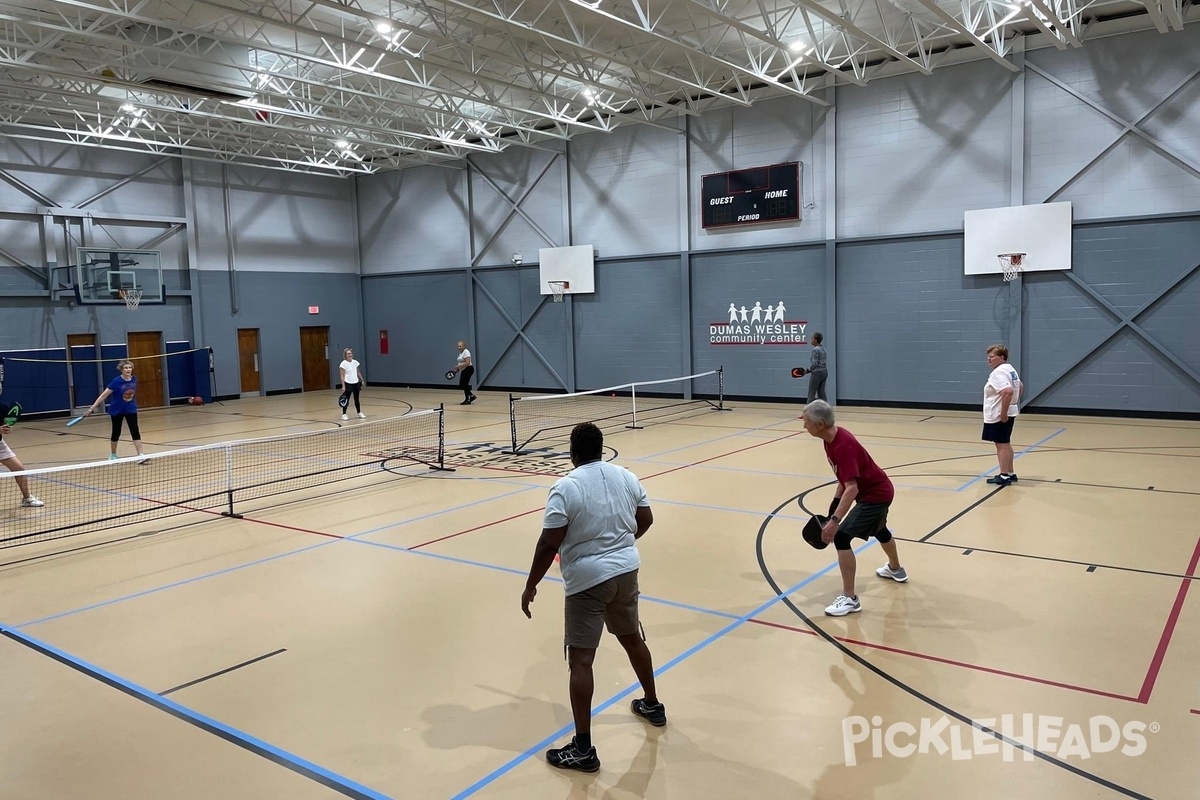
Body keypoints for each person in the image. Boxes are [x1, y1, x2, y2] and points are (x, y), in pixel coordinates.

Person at [521, 422, 665, 773]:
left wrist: (531, 585)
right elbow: (644, 519)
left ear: (573, 451)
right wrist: (620, 545)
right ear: (601, 448)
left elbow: (548, 543)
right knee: (632, 639)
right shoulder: (626, 477)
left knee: (581, 661)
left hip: (587, 581)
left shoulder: (565, 487)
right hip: (626, 571)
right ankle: (652, 705)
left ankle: (583, 749)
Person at [800, 400, 907, 617]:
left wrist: (834, 522)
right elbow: (844, 479)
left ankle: (850, 599)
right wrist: (833, 508)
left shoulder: (843, 445)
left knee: (841, 537)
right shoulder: (830, 439)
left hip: (875, 495)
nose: (804, 426)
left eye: (807, 422)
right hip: (877, 490)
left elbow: (852, 488)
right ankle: (896, 569)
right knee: (880, 530)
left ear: (820, 424)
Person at [84, 359, 147, 463]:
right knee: (116, 432)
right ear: (121, 370)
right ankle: (113, 455)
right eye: (126, 368)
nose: (128, 369)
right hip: (117, 410)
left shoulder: (133, 379)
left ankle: (140, 455)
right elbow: (103, 395)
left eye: (130, 367)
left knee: (135, 430)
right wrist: (92, 408)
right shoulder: (116, 381)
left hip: (130, 409)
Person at [983, 344, 1022, 486]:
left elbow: (1007, 391)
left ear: (1002, 357)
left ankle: (1004, 475)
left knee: (1001, 445)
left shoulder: (998, 373)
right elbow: (1020, 386)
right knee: (1006, 443)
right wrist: (1014, 403)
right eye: (988, 356)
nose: (989, 359)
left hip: (998, 415)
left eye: (992, 357)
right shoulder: (1010, 369)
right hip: (1008, 412)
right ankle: (1010, 472)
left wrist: (1003, 413)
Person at [0, 394, 44, 508]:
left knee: (19, 469)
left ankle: (27, 498)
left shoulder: (3, 406)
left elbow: (6, 425)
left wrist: (8, 429)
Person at [338, 348, 366, 420]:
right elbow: (342, 375)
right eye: (348, 354)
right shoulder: (343, 363)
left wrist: (362, 380)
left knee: (357, 399)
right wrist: (343, 386)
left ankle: (359, 413)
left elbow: (358, 372)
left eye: (350, 353)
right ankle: (344, 414)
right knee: (346, 399)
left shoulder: (355, 362)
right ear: (345, 355)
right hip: (348, 383)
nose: (349, 355)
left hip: (355, 383)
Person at [452, 340, 476, 405]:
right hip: (464, 370)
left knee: (464, 384)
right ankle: (470, 397)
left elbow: (467, 363)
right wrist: (457, 370)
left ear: (464, 346)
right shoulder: (460, 353)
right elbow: (461, 363)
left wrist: (458, 366)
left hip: (468, 369)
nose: (459, 347)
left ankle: (469, 398)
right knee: (463, 385)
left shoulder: (466, 352)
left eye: (460, 346)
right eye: (458, 346)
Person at [807, 332, 828, 403]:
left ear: (815, 340)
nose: (811, 340)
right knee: (821, 393)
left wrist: (808, 370)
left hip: (817, 373)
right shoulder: (823, 349)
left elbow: (814, 364)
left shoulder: (815, 350)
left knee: (811, 393)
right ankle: (826, 411)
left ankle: (808, 413)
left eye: (812, 338)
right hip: (824, 372)